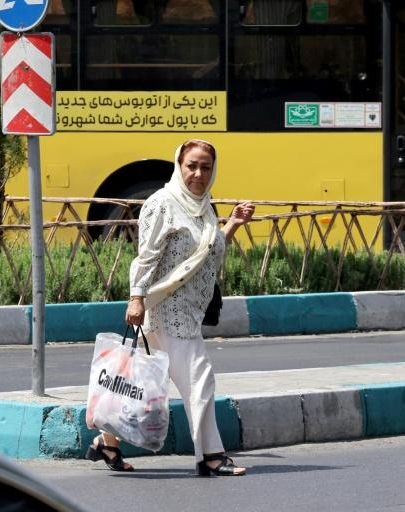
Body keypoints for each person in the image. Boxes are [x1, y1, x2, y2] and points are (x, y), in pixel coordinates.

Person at [86, 139, 255, 476]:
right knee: (199, 380)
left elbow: (206, 254)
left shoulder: (204, 206)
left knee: (140, 382)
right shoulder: (161, 203)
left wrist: (233, 224)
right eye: (192, 165)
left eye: (206, 167)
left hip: (184, 310)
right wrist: (135, 298)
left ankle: (107, 443)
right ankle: (211, 455)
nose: (198, 173)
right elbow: (145, 256)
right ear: (179, 165)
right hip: (164, 311)